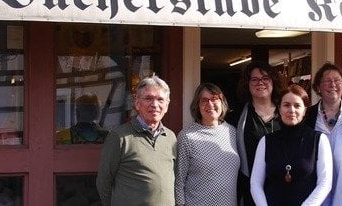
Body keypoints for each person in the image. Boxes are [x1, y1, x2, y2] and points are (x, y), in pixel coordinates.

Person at [96, 75, 177, 206]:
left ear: (167, 105)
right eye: (148, 98)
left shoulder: (170, 137)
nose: (155, 105)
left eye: (160, 100)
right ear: (137, 103)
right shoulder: (119, 137)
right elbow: (103, 182)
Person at [250, 84, 333, 206]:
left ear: (305, 110)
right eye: (286, 105)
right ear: (279, 108)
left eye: (297, 105)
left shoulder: (319, 140)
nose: (291, 110)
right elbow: (255, 183)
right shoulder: (266, 141)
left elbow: (325, 183)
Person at [228, 61, 285, 206]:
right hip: (250, 189)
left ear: (273, 82)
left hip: (283, 185)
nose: (260, 82)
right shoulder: (237, 117)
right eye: (254, 79)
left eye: (265, 78)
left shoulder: (287, 112)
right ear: (247, 84)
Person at [175, 83, 239, 205]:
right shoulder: (187, 136)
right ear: (197, 105)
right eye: (204, 100)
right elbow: (179, 180)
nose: (210, 104)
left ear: (222, 102)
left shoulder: (233, 132)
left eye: (214, 99)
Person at [304, 62, 342, 135]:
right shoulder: (307, 114)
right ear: (318, 87)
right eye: (327, 81)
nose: (333, 84)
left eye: (337, 80)